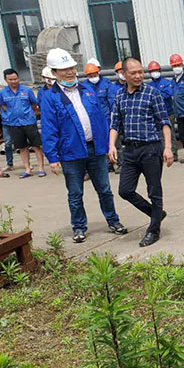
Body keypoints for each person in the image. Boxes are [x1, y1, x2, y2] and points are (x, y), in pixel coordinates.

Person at [40, 48, 127, 243]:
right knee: (75, 193)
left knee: (104, 189)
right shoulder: (50, 98)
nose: (70, 72)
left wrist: (108, 145)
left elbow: (101, 121)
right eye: (64, 70)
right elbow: (48, 129)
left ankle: (113, 221)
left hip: (95, 150)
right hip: (71, 153)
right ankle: (79, 227)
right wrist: (53, 158)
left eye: (71, 68)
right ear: (54, 73)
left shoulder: (86, 91)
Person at [109, 57, 174, 247]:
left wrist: (168, 147)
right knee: (125, 190)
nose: (138, 76)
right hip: (130, 150)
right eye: (133, 73)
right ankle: (156, 214)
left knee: (154, 190)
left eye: (140, 72)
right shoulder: (119, 96)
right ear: (124, 74)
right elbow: (115, 124)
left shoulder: (152, 93)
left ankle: (154, 230)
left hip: (151, 149)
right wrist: (111, 145)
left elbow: (165, 122)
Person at [0, 68, 46, 178]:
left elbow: (33, 103)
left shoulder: (27, 90)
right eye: (11, 79)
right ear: (6, 80)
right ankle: (27, 169)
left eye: (16, 79)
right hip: (13, 123)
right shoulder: (2, 93)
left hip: (29, 121)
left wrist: (27, 113)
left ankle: (41, 168)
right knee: (22, 147)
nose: (14, 81)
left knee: (36, 145)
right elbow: (0, 104)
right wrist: (8, 114)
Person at [148, 61, 177, 160]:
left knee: (170, 133)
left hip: (168, 112)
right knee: (159, 135)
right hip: (155, 114)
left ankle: (173, 153)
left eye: (156, 70)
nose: (154, 72)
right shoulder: (149, 85)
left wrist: (156, 95)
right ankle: (162, 153)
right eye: (152, 71)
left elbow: (168, 94)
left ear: (160, 70)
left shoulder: (166, 83)